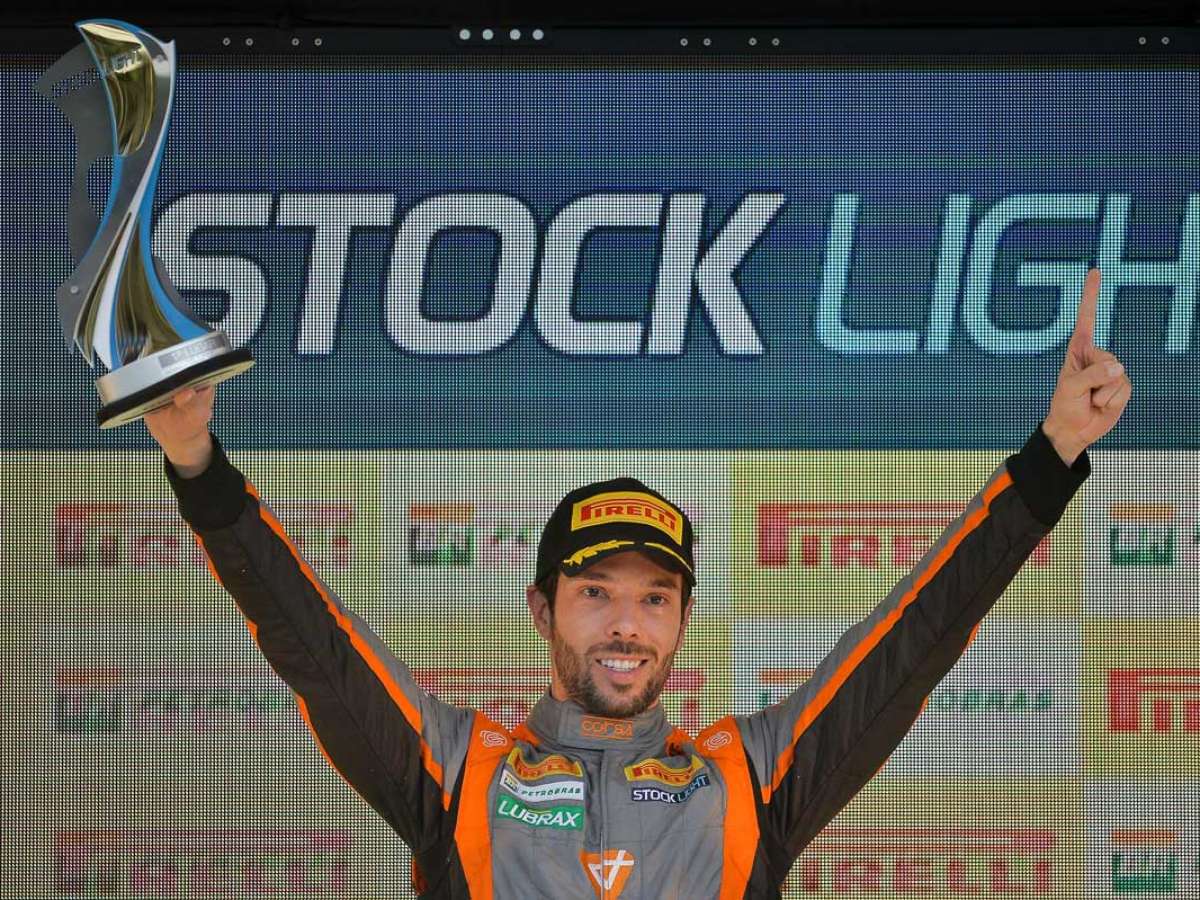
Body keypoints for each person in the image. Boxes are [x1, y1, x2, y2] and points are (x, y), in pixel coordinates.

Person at [147, 268, 1130, 899]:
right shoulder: (460, 772)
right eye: (596, 592)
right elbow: (313, 644)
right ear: (542, 608)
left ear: (683, 620)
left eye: (655, 597)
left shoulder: (745, 780)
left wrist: (1050, 458)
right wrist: (198, 464)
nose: (627, 624)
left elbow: (912, 642)